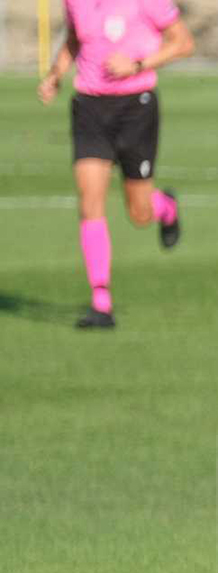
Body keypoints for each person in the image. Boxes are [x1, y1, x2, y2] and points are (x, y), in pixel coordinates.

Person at [36, 0, 192, 328]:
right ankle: (101, 303)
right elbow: (75, 39)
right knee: (90, 201)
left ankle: (166, 208)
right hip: (89, 107)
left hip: (136, 107)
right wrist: (55, 74)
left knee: (139, 213)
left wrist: (138, 64)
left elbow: (183, 42)